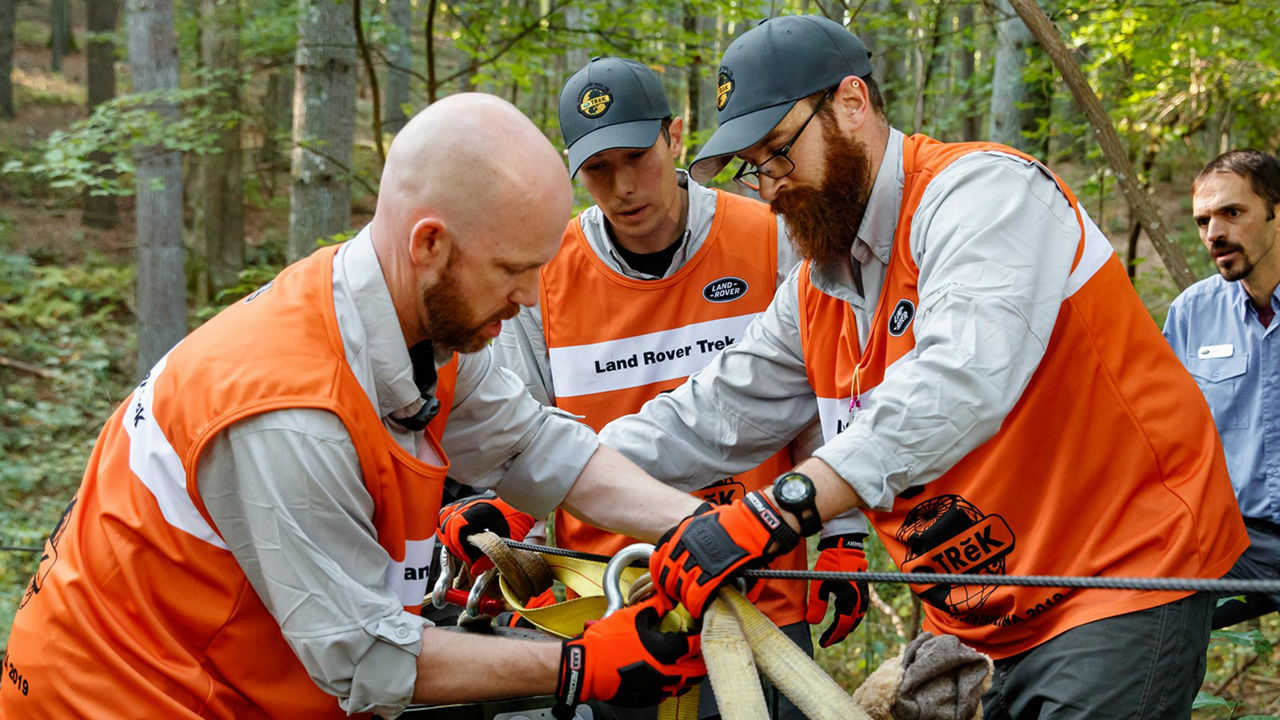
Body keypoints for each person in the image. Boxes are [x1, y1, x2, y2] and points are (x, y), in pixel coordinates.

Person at [595, 15, 1248, 720]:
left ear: (851, 103)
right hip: (980, 620)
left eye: (779, 152)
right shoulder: (823, 286)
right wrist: (551, 486)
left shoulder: (985, 196)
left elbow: (956, 383)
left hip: (1120, 578)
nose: (770, 186)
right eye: (753, 168)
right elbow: (715, 410)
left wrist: (777, 510)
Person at [0, 93, 709, 720]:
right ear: (430, 244)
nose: (530, 297)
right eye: (513, 271)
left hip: (252, 679)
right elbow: (368, 662)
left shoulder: (420, 322)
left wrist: (704, 529)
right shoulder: (287, 414)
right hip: (126, 699)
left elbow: (530, 446)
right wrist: (583, 664)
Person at [467, 55, 867, 720]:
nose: (623, 186)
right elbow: (514, 430)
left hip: (760, 585)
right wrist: (523, 561)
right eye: (598, 169)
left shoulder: (770, 237)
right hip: (615, 603)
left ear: (674, 136)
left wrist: (844, 535)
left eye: (636, 156)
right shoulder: (545, 277)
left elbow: (824, 393)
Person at [1164, 149, 1280, 628]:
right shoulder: (1194, 312)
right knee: (1133, 598)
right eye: (1203, 221)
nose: (1214, 234)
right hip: (1234, 539)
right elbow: (1162, 433)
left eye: (1233, 213)